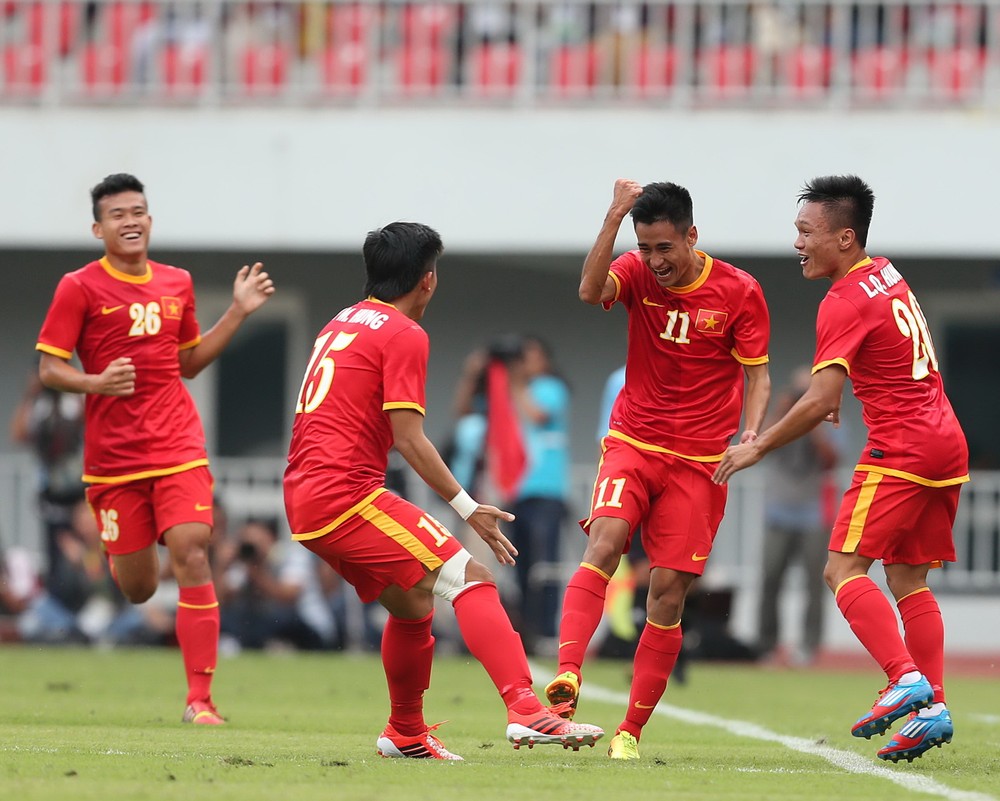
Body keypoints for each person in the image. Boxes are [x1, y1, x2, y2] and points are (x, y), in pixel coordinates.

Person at [283, 221, 603, 760]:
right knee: (470, 576)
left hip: (307, 494)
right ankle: (526, 710)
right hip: (346, 496)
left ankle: (405, 733)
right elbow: (410, 439)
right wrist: (468, 506)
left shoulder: (342, 320)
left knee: (412, 604)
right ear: (427, 280)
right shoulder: (404, 332)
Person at [713, 174, 968, 763]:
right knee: (907, 578)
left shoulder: (843, 298)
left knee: (841, 568)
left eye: (806, 232)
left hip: (902, 446)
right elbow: (874, 366)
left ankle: (904, 678)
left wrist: (758, 445)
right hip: (943, 441)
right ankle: (933, 709)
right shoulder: (887, 272)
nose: (797, 244)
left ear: (845, 238)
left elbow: (822, 398)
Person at [34, 172, 275, 725]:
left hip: (178, 445)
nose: (130, 220)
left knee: (192, 550)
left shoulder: (177, 282)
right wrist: (95, 383)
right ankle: (121, 566)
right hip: (114, 462)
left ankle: (201, 700)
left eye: (138, 210)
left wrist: (236, 311)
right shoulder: (79, 287)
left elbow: (187, 362)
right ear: (99, 228)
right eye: (117, 214)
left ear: (150, 219)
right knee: (139, 588)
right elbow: (50, 367)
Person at [546, 179, 771, 761]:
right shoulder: (635, 272)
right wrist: (614, 215)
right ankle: (567, 676)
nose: (655, 262)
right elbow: (589, 289)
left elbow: (757, 376)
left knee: (666, 597)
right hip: (634, 442)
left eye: (665, 248)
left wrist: (751, 434)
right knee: (607, 540)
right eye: (645, 248)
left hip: (700, 463)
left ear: (692, 236)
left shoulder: (740, 292)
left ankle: (630, 731)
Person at [756, 365, 840, 667]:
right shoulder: (779, 417)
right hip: (778, 511)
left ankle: (809, 646)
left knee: (814, 584)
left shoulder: (829, 418)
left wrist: (811, 421)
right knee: (770, 578)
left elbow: (832, 459)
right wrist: (784, 413)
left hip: (812, 513)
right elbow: (760, 444)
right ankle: (766, 645)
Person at [507, 335, 571, 654]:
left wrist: (515, 384)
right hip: (518, 490)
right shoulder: (515, 393)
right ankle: (528, 631)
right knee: (521, 565)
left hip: (547, 490)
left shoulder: (550, 388)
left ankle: (547, 631)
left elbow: (537, 415)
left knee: (544, 565)